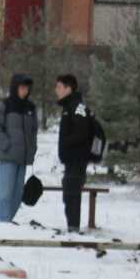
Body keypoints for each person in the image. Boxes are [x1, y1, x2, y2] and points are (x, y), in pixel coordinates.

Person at [0, 73, 38, 223]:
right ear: (15, 87)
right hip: (8, 157)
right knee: (5, 195)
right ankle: (4, 226)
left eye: (27, 88)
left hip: (22, 159)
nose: (25, 90)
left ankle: (7, 222)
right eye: (22, 87)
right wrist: (6, 144)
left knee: (17, 196)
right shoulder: (6, 105)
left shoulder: (31, 107)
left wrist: (32, 149)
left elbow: (34, 131)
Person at [55, 73, 95, 233]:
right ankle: (72, 227)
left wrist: (66, 143)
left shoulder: (77, 107)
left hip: (76, 159)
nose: (56, 90)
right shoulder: (69, 106)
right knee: (69, 193)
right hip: (71, 160)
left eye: (59, 87)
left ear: (68, 88)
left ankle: (73, 229)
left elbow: (82, 132)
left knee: (72, 194)